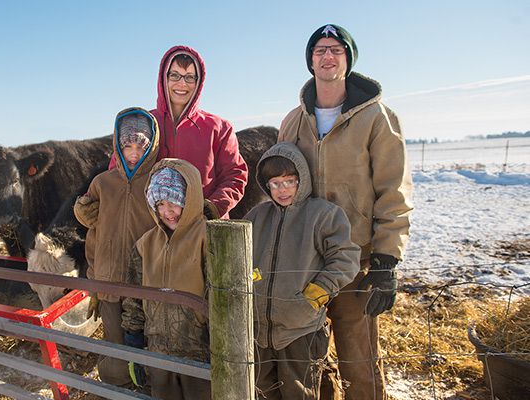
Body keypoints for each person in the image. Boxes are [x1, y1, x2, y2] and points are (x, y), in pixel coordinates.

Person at [278, 24, 413, 400]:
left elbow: (393, 189)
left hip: (356, 260)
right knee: (308, 357)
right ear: (310, 61)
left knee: (359, 360)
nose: (327, 56)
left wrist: (386, 260)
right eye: (320, 50)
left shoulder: (375, 117)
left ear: (348, 60)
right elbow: (279, 186)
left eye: (336, 50)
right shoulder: (293, 121)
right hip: (304, 263)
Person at [245, 142, 360, 399]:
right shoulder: (256, 216)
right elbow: (242, 260)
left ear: (302, 179)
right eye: (274, 183)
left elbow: (346, 259)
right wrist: (252, 283)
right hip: (259, 331)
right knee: (261, 392)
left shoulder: (323, 215)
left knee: (300, 393)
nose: (282, 189)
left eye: (289, 181)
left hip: (301, 330)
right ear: (266, 186)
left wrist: (313, 297)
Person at [73, 107, 159, 386]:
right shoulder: (103, 183)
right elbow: (93, 233)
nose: (133, 153)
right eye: (127, 145)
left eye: (140, 145)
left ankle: (148, 389)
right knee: (114, 345)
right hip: (109, 283)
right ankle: (114, 389)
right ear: (118, 146)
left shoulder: (158, 180)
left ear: (151, 145)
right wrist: (95, 281)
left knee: (148, 345)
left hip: (147, 285)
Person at [110, 45, 248, 219]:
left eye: (190, 77)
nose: (182, 83)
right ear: (163, 78)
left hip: (202, 227)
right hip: (151, 228)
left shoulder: (219, 128)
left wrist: (212, 208)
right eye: (174, 75)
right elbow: (117, 172)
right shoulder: (143, 123)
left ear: (199, 82)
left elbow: (235, 176)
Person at [121, 159, 211, 400]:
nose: (167, 211)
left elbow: (220, 297)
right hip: (158, 352)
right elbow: (134, 298)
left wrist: (219, 348)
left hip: (199, 353)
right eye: (160, 203)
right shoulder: (145, 244)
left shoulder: (209, 238)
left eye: (174, 202)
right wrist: (134, 344)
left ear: (189, 201)